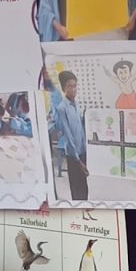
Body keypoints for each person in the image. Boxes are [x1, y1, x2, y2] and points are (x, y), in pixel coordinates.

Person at [51, 69, 88, 200]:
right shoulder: (62, 108)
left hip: (82, 151)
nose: (73, 89)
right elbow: (68, 135)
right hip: (73, 155)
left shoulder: (76, 105)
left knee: (84, 186)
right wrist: (78, 161)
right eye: (69, 86)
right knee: (76, 187)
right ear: (63, 88)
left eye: (74, 86)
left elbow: (80, 130)